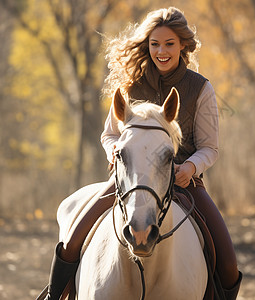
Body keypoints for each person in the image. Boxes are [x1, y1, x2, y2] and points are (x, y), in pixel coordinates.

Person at [37, 7, 241, 300]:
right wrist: (114, 151)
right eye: (155, 44)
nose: (161, 51)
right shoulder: (128, 87)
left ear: (182, 45)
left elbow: (210, 147)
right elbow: (109, 135)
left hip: (184, 181)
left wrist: (191, 168)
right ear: (147, 45)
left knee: (228, 262)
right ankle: (54, 296)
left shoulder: (201, 89)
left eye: (169, 44)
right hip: (130, 177)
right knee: (72, 242)